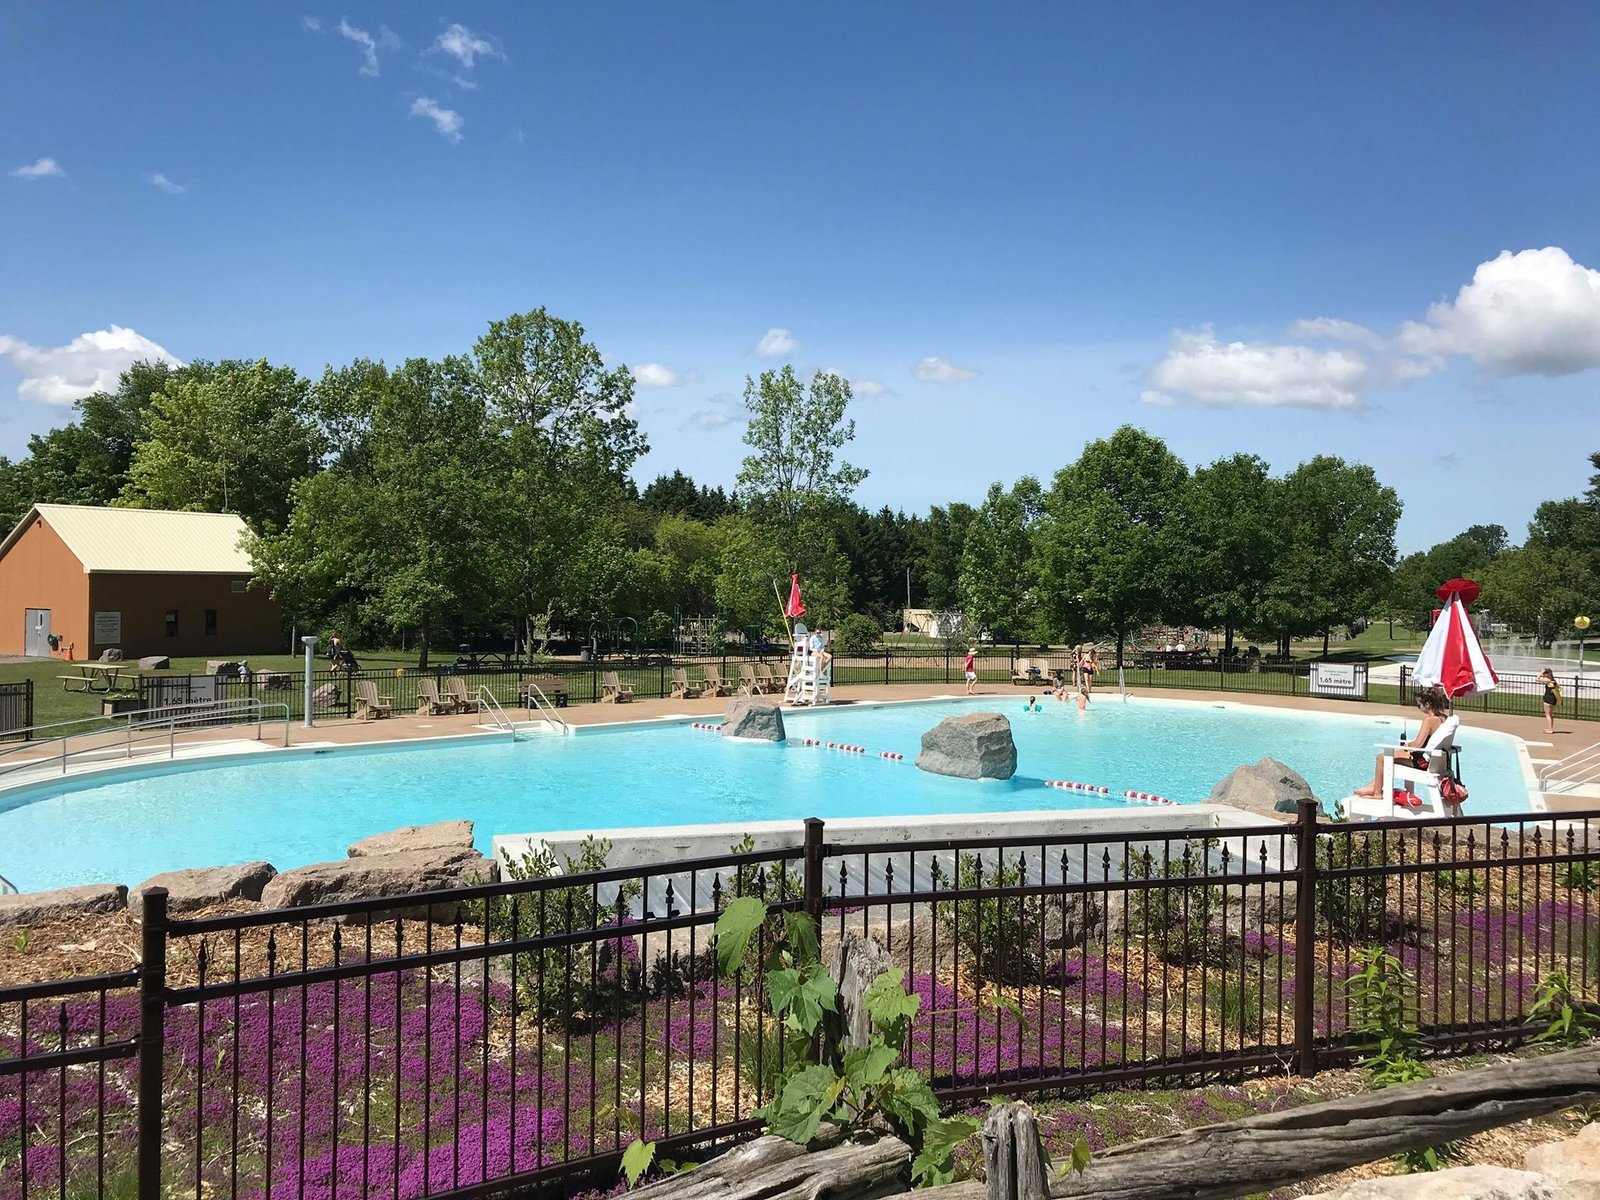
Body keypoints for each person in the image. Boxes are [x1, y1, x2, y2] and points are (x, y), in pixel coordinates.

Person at [1352, 686, 1451, 799]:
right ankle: (1372, 786)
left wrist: (1408, 744)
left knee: (1381, 758)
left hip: (1421, 762)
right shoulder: (1445, 718)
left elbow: (1418, 744)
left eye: (1419, 705)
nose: (1419, 708)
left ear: (1427, 705)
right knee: (1394, 754)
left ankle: (1377, 793)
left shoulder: (1429, 720)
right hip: (1434, 761)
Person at [1540, 668, 1561, 734]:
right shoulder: (1553, 680)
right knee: (1550, 714)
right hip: (1553, 699)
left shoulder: (1548, 680)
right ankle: (1550, 728)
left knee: (1548, 714)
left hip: (1548, 699)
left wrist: (1541, 673)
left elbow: (1537, 679)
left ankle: (1550, 729)